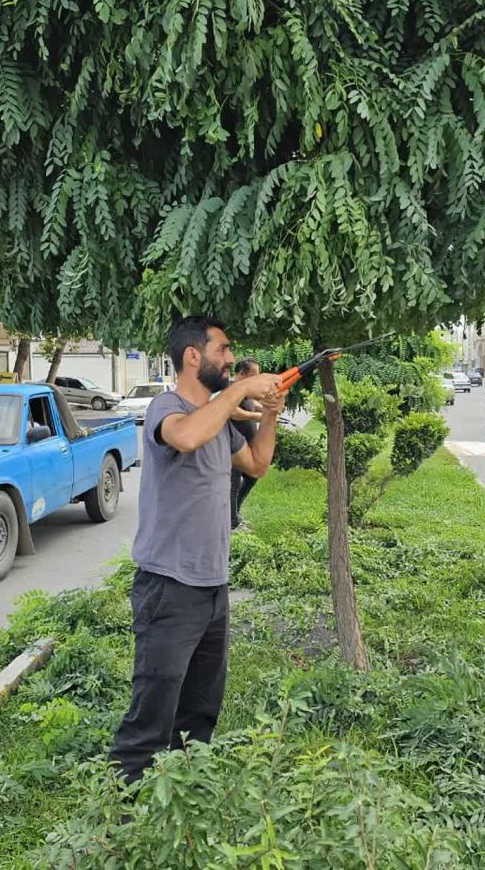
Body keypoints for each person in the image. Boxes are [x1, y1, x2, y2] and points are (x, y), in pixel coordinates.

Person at [108, 316, 282, 785]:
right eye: (222, 349)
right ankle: (121, 810)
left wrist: (269, 414)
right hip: (169, 587)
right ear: (192, 355)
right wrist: (237, 392)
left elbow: (258, 465)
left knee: (200, 710)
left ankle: (182, 796)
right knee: (152, 713)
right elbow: (185, 436)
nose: (230, 359)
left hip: (212, 587)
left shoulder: (219, 422)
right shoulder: (167, 407)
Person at [229, 358, 263, 530]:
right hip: (234, 448)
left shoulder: (245, 389)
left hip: (247, 447)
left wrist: (263, 409)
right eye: (253, 375)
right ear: (241, 373)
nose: (256, 379)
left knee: (251, 477)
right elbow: (232, 411)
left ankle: (235, 512)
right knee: (233, 485)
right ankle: (232, 524)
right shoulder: (231, 389)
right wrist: (255, 416)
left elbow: (250, 403)